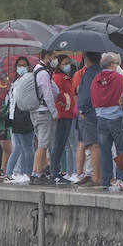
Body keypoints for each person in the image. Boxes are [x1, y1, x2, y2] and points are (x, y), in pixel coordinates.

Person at [91, 52, 123, 190]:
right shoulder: (120, 78)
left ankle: (106, 181)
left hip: (101, 118)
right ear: (112, 64)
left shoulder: (95, 79)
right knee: (121, 150)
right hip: (117, 117)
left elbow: (93, 98)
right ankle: (121, 179)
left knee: (104, 151)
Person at [28, 55, 59, 185]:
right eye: (54, 56)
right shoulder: (43, 73)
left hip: (35, 112)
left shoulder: (36, 69)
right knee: (42, 145)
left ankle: (35, 173)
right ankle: (38, 174)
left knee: (40, 144)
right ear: (47, 56)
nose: (55, 60)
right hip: (43, 112)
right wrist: (54, 112)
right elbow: (48, 94)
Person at [73, 52, 101, 187]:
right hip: (99, 112)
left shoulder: (88, 74)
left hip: (89, 113)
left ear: (86, 59)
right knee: (97, 145)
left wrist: (82, 109)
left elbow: (86, 95)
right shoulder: (101, 71)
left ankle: (95, 176)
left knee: (92, 145)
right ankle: (98, 174)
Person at [50, 54, 77, 184]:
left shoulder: (65, 77)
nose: (67, 66)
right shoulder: (58, 77)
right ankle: (54, 172)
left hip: (68, 114)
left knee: (61, 145)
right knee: (58, 144)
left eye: (68, 63)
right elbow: (57, 94)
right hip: (62, 114)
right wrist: (64, 103)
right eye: (64, 63)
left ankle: (56, 172)